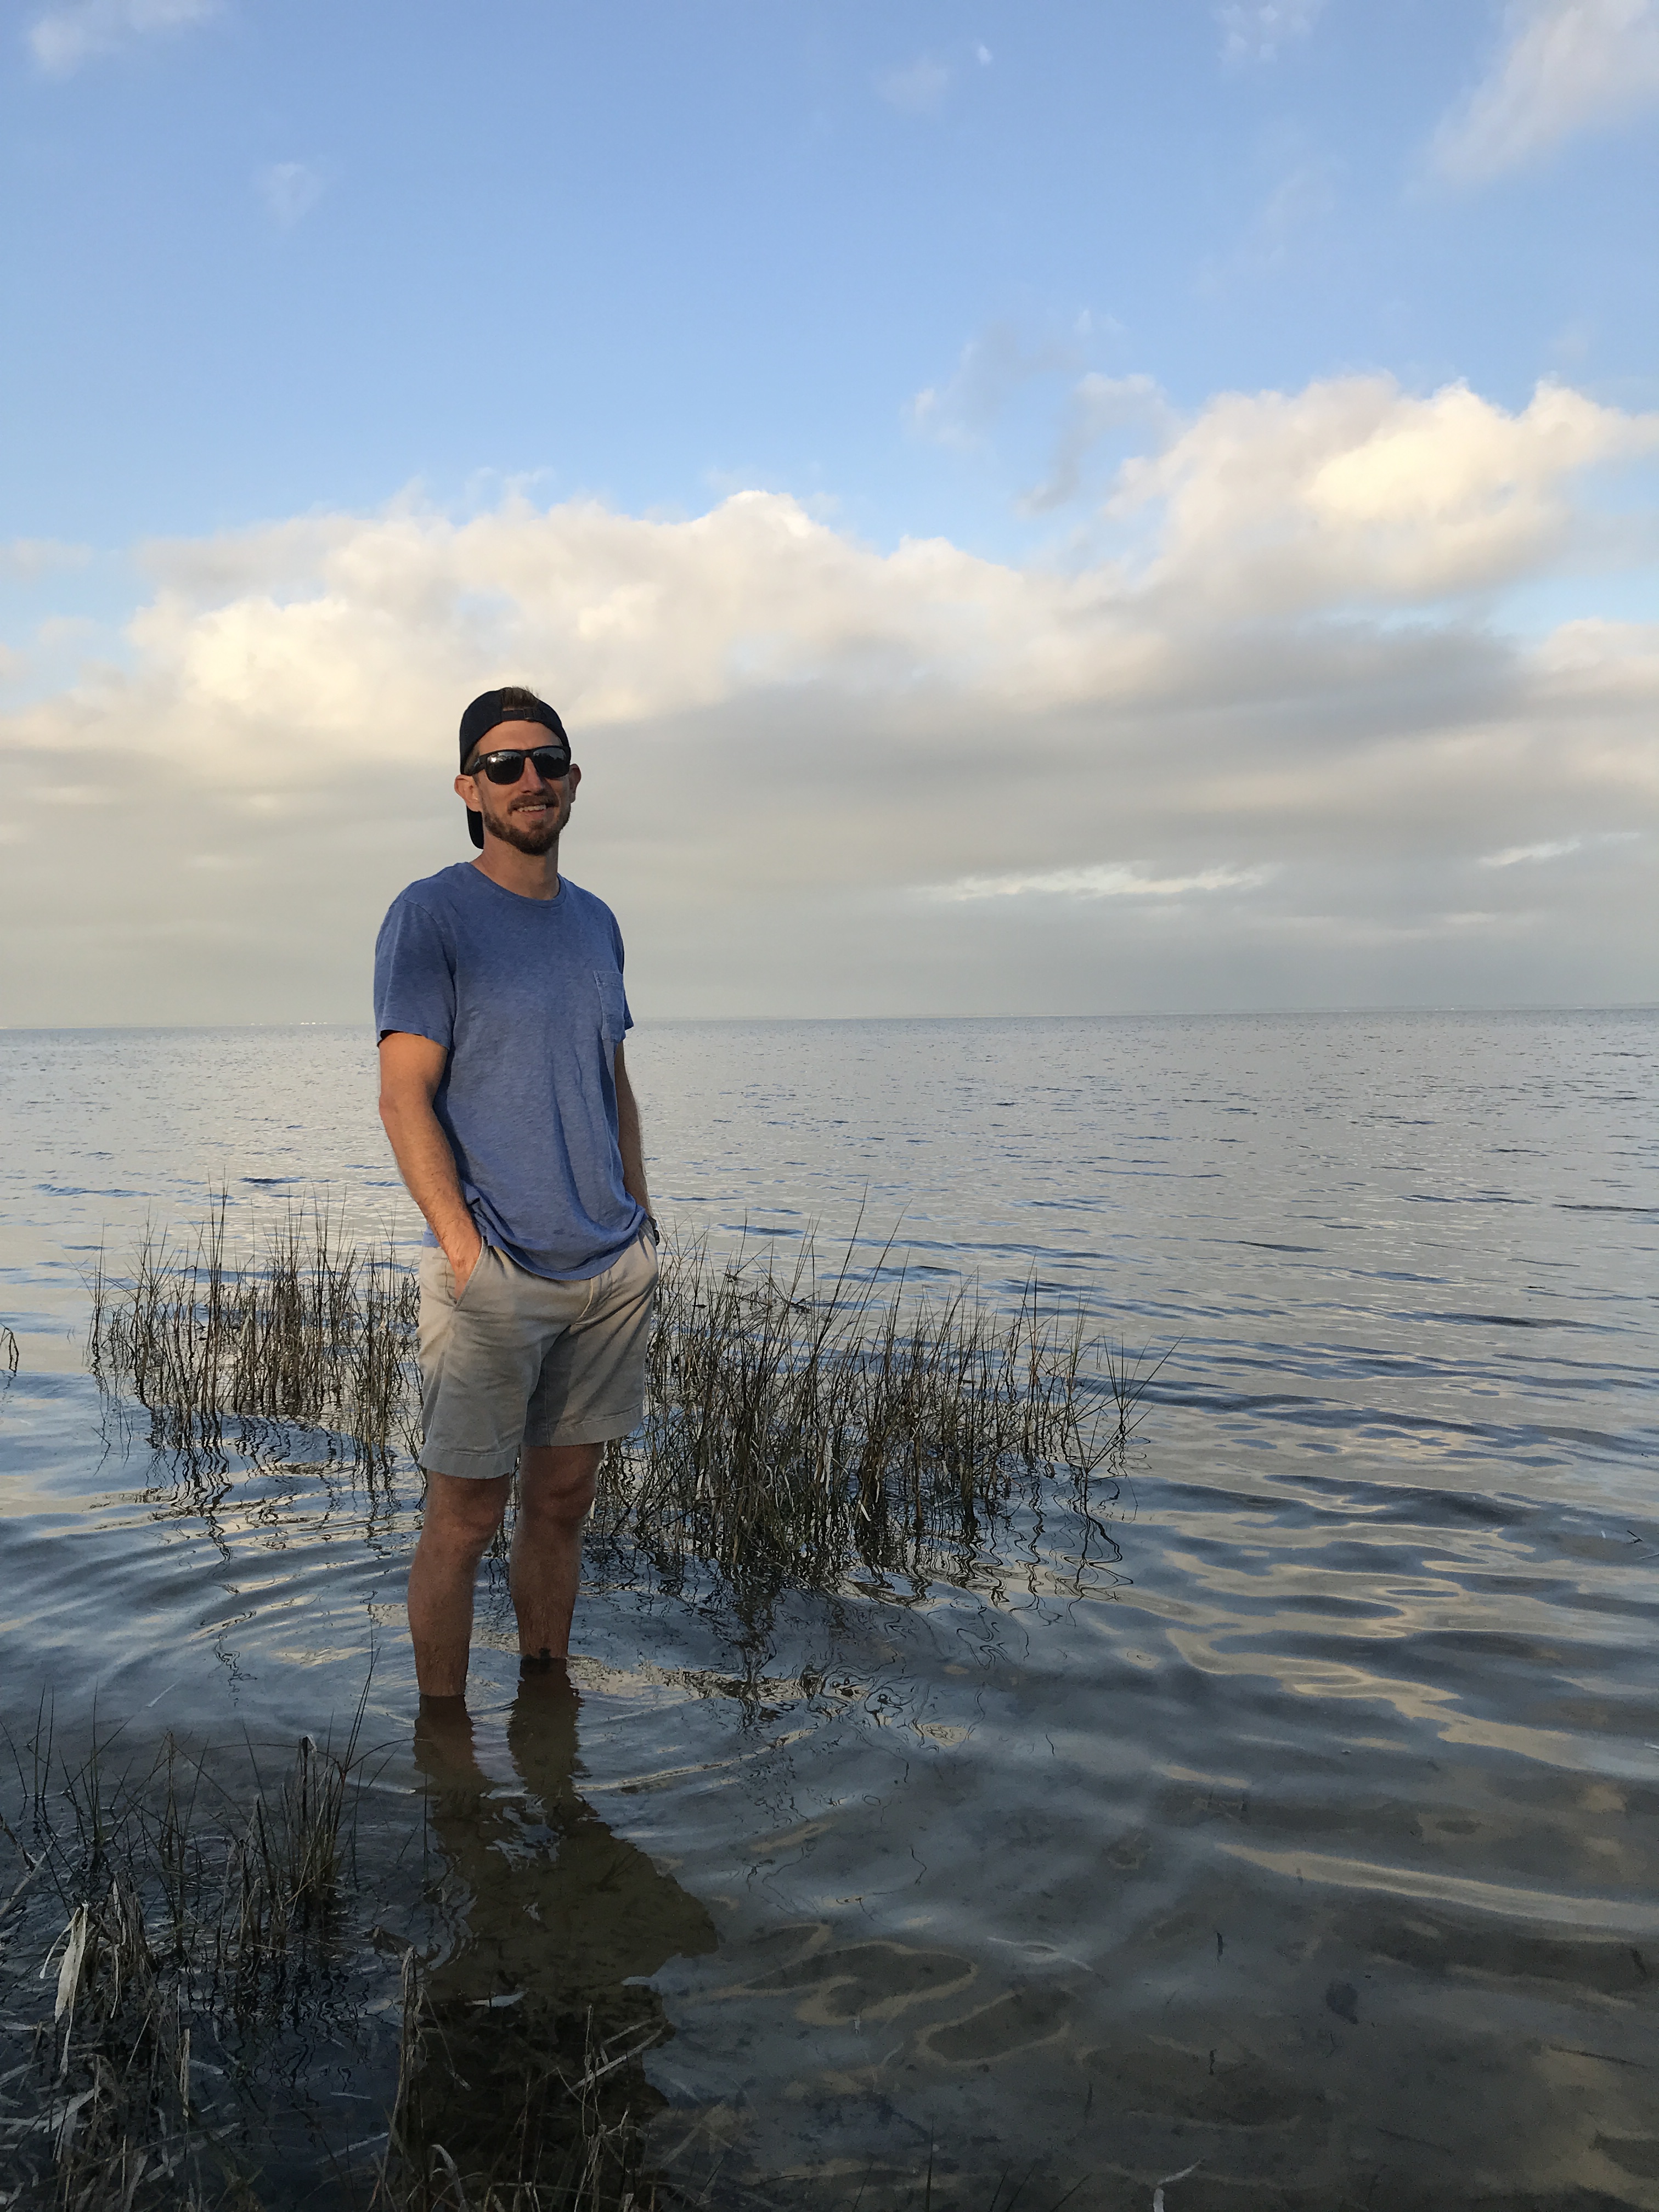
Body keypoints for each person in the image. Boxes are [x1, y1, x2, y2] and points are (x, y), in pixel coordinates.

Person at [374, 685, 658, 1704]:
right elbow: (403, 1094)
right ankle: (444, 1743)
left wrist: (642, 1222)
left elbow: (610, 1077)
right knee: (463, 1519)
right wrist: (463, 1252)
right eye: (504, 766)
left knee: (565, 1501)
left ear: (573, 780)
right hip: (494, 1272)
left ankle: (547, 1710)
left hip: (608, 1269)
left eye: (547, 761)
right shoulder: (432, 914)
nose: (530, 779)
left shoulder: (598, 923)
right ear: (470, 789)